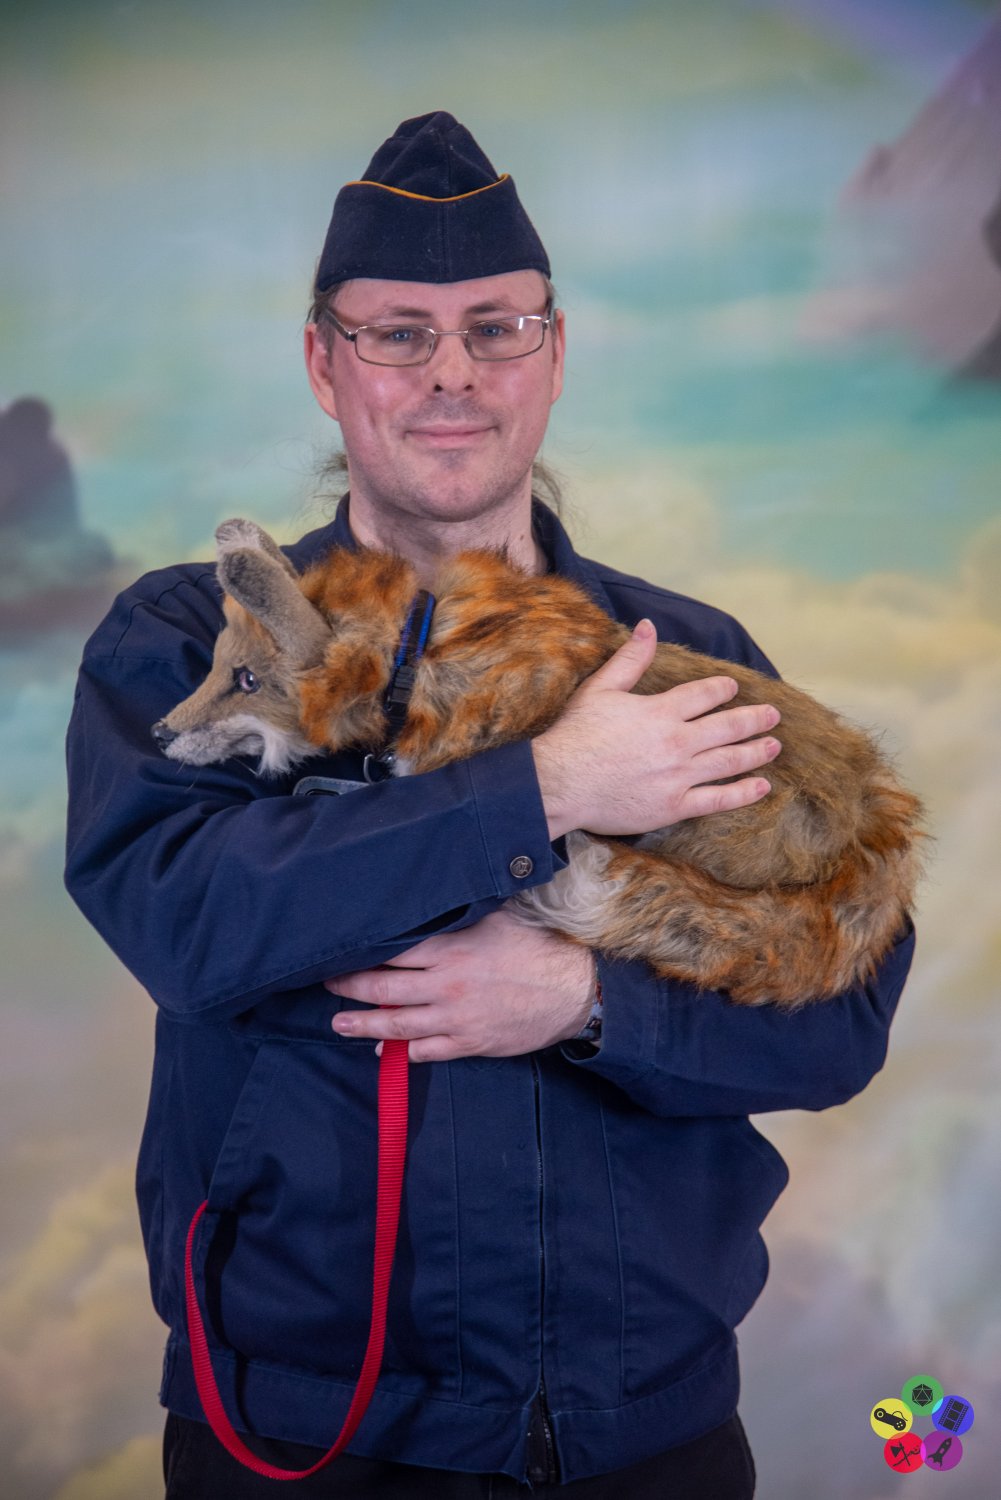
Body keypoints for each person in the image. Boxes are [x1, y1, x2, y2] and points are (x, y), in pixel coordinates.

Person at [64, 112, 915, 1498]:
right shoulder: (192, 637)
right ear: (323, 364)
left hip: (650, 1436)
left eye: (496, 328)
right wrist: (552, 784)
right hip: (307, 1437)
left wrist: (586, 1003)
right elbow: (190, 920)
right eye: (397, 333)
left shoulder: (685, 654)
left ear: (554, 355)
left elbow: (839, 1023)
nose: (451, 372)